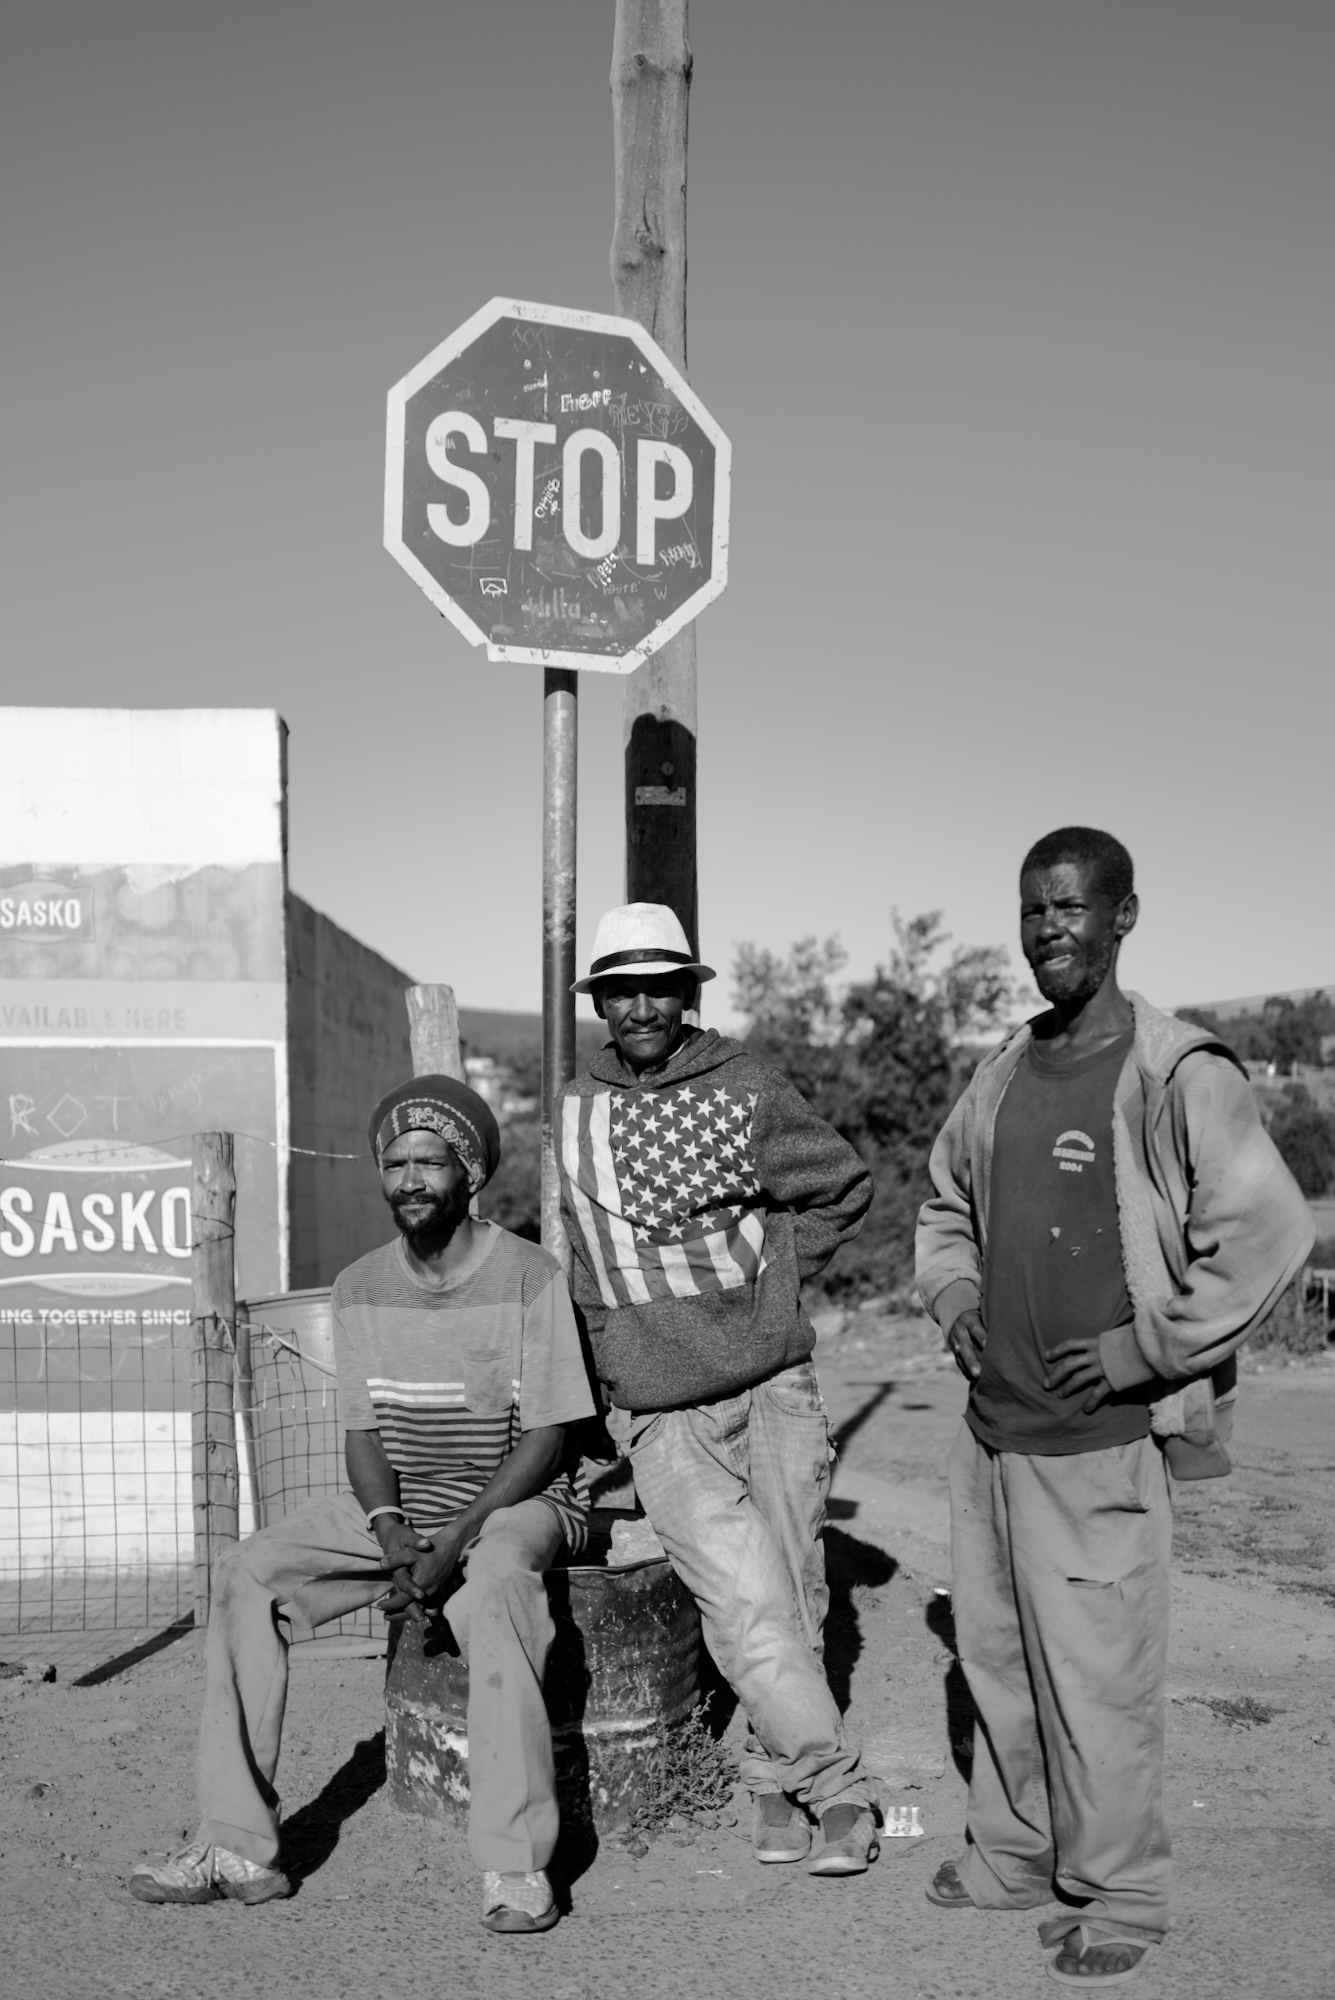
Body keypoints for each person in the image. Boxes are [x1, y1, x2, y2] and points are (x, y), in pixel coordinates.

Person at [915, 827, 1313, 1987]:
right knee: (997, 1661)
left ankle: (1121, 1888)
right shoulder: (1002, 1069)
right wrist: (954, 1298)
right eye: (1033, 909)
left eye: (1072, 906)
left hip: (1103, 1437)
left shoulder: (1176, 1070)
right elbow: (943, 1208)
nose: (1050, 928)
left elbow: (1269, 1230)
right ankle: (1017, 1853)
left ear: (1124, 915)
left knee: (1098, 1679)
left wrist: (1150, 1347)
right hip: (992, 1432)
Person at [130, 1075, 596, 1935]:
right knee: (248, 1569)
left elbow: (546, 1440)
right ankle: (236, 1845)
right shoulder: (358, 1287)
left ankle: (515, 1862)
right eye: (394, 1163)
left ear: (470, 1173)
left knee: (497, 1582)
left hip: (515, 1501)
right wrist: (389, 1531)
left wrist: (455, 1539)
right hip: (404, 1507)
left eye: (430, 1161)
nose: (410, 1179)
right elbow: (363, 1434)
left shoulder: (530, 1278)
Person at [556, 902, 883, 1875]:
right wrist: (593, 1391)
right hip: (661, 1406)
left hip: (774, 1383)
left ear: (687, 993)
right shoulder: (573, 1115)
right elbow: (576, 1265)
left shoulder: (744, 1087)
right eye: (623, 989)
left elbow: (841, 1186)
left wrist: (773, 1281)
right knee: (741, 1599)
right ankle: (840, 1791)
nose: (642, 1006)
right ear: (600, 1003)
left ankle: (772, 1778)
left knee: (795, 1591)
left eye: (660, 986)